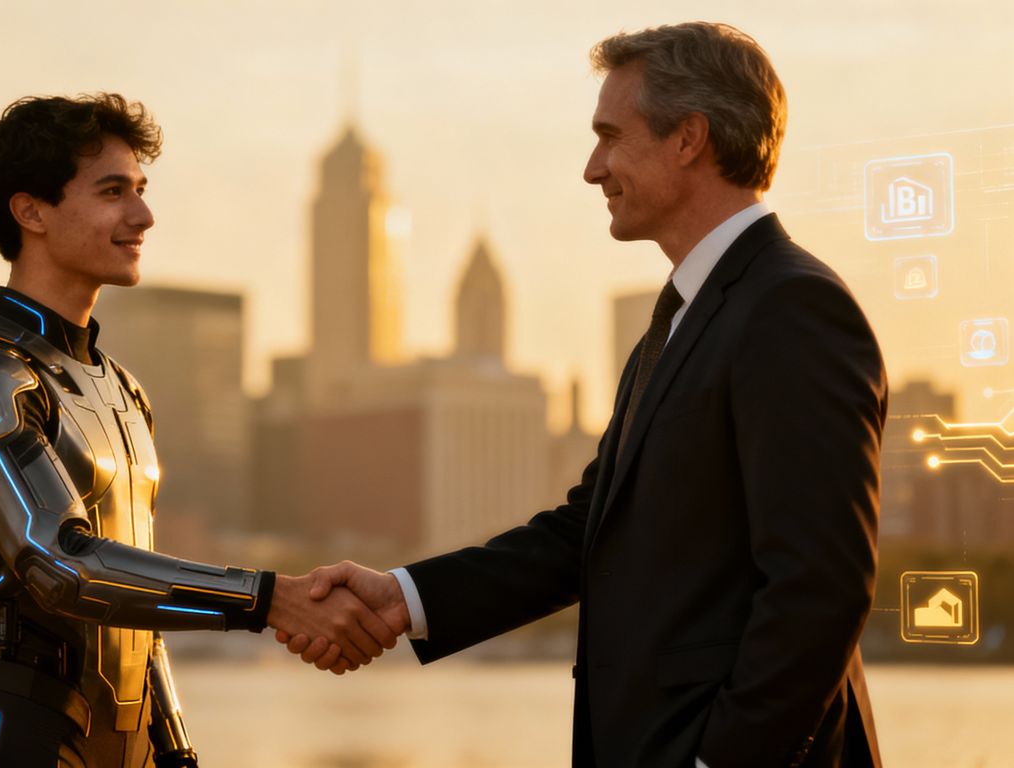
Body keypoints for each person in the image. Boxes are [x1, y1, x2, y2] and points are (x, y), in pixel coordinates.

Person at [282, 22, 887, 768]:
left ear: (689, 139)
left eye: (610, 137)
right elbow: (586, 533)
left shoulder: (792, 309)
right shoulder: (678, 323)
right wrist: (403, 597)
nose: (592, 169)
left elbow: (820, 585)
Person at [0, 93, 397, 768]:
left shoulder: (122, 388)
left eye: (140, 190)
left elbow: (137, 608)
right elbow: (62, 565)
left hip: (131, 746)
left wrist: (177, 749)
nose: (143, 216)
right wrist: (268, 599)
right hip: (14, 736)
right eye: (113, 192)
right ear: (31, 212)